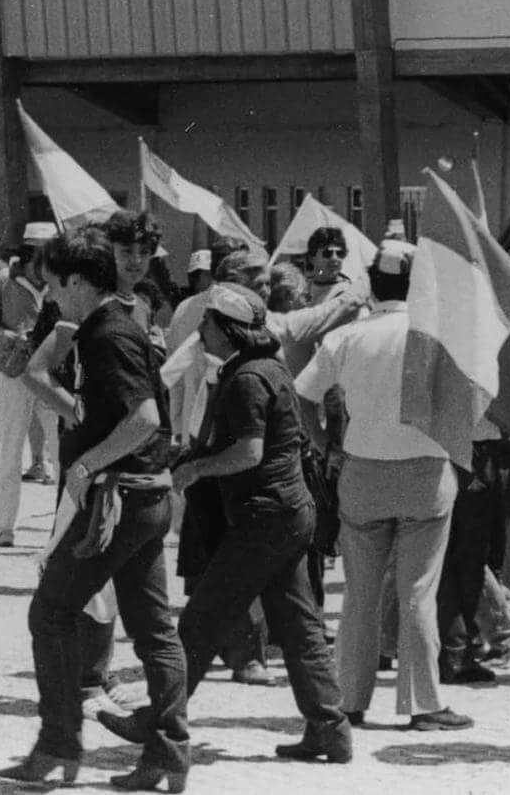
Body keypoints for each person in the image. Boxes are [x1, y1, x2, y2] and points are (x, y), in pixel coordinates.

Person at [105, 285, 349, 765]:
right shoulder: (269, 368)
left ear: (227, 328)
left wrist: (194, 469)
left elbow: (249, 452)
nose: (200, 332)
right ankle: (329, 727)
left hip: (263, 518)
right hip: (289, 512)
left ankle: (157, 719)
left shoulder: (245, 380)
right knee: (300, 627)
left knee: (199, 624)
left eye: (207, 324)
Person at [3, 231, 188, 792]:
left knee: (51, 613)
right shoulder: (108, 329)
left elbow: (147, 416)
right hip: (147, 495)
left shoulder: (107, 334)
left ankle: (58, 745)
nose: (51, 296)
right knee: (154, 629)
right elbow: (91, 401)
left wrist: (86, 465)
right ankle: (167, 756)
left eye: (55, 285)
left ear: (78, 281)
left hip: (117, 499)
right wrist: (79, 416)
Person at [295, 237, 471, 731]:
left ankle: (350, 700)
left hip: (363, 470)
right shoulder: (436, 336)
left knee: (360, 594)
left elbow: (303, 394)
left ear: (372, 281)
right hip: (426, 470)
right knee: (418, 591)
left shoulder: (349, 336)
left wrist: (325, 443)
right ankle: (424, 704)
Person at [0, 220, 58, 547]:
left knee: (59, 451)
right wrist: (11, 338)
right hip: (15, 373)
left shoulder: (61, 282)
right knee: (12, 449)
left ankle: (63, 523)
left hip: (53, 376)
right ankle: (5, 527)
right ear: (29, 255)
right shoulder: (3, 280)